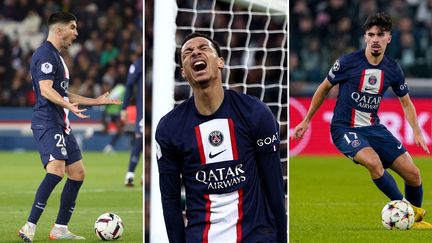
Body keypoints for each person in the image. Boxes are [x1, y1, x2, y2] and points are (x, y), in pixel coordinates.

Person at [292, 12, 432, 229]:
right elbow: (323, 88)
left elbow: (406, 102)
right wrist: (307, 120)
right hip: (344, 128)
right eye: (371, 34)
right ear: (365, 37)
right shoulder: (348, 62)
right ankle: (407, 212)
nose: (375, 38)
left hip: (373, 127)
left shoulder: (393, 69)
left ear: (389, 38)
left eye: (380, 34)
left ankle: (415, 221)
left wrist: (416, 130)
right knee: (374, 163)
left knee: (413, 174)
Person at [155, 33, 287, 242]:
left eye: (204, 48)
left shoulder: (255, 113)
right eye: (187, 53)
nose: (195, 52)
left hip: (254, 236)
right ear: (183, 72)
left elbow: (274, 185)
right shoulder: (169, 128)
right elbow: (170, 199)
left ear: (220, 62)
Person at [18, 12, 122, 242]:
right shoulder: (45, 54)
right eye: (73, 28)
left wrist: (96, 101)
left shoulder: (57, 57)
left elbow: (63, 92)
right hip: (47, 121)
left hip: (60, 122)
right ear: (59, 30)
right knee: (55, 170)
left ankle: (60, 228)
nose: (76, 33)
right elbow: (46, 89)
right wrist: (68, 106)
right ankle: (29, 226)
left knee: (77, 173)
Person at [121, 56, 143, 186]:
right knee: (140, 139)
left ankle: (144, 175)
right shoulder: (139, 63)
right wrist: (124, 108)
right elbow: (129, 86)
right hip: (142, 110)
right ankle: (130, 175)